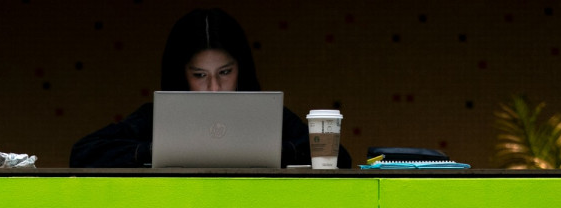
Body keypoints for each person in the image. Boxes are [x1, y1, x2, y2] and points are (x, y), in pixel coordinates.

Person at [71, 8, 352, 169]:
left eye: (225, 72)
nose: (214, 88)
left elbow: (339, 157)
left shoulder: (266, 114)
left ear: (241, 70)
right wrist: (160, 150)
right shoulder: (156, 117)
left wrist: (262, 150)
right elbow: (82, 153)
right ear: (182, 75)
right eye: (200, 75)